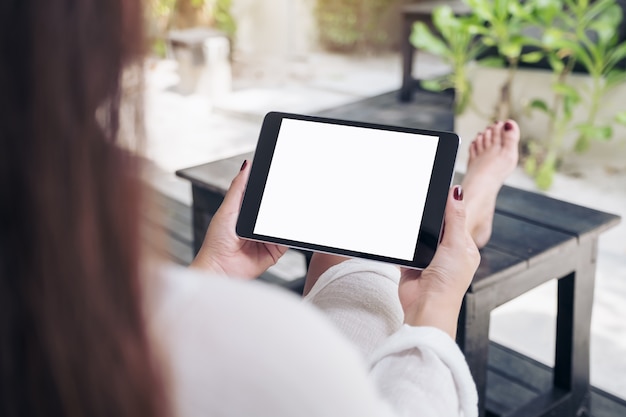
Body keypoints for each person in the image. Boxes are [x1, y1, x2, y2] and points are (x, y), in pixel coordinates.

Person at [0, 1, 520, 417]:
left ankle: (469, 215)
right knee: (365, 258)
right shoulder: (259, 348)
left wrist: (212, 273)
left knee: (341, 253)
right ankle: (470, 211)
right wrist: (433, 311)